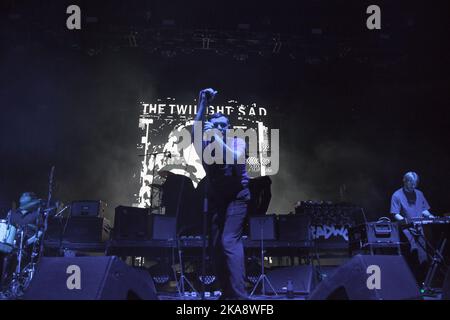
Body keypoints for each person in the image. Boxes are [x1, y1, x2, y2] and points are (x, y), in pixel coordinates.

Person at [193, 88, 250, 299]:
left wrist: (217, 138)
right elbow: (195, 128)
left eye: (223, 126)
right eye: (215, 125)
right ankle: (226, 293)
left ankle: (240, 296)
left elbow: (234, 158)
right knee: (216, 247)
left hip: (237, 198)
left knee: (229, 242)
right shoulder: (205, 145)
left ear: (229, 128)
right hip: (217, 200)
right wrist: (202, 102)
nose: (218, 128)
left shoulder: (238, 142)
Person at [390, 172, 435, 283]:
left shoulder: (419, 194)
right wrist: (405, 222)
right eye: (411, 183)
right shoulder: (397, 195)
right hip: (405, 229)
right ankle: (409, 281)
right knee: (412, 252)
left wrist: (431, 216)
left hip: (418, 228)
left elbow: (423, 209)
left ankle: (423, 282)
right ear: (405, 181)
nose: (414, 186)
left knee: (423, 255)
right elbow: (395, 213)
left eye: (415, 184)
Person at [1, 192, 43, 291]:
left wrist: (28, 242)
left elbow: (40, 231)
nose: (23, 195)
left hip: (26, 246)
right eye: (22, 194)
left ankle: (9, 286)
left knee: (13, 259)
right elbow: (6, 229)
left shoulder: (36, 214)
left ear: (32, 200)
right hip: (11, 244)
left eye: (26, 194)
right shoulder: (12, 213)